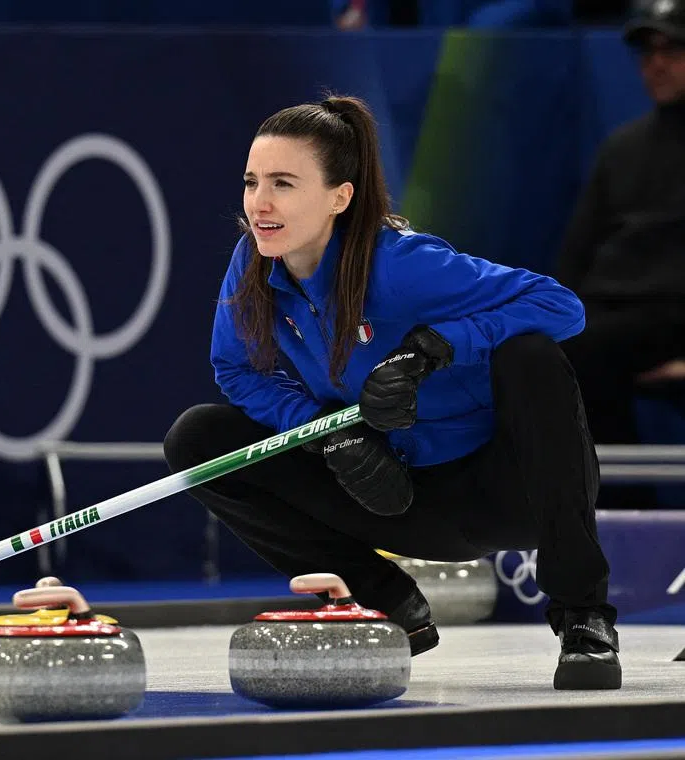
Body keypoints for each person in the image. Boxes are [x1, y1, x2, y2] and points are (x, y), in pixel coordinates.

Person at [163, 95, 621, 690]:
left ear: (340, 197)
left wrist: (436, 345)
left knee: (530, 354)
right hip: (396, 496)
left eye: (283, 183)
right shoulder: (253, 258)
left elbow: (562, 306)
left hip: (506, 494)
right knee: (199, 437)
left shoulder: (401, 266)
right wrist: (328, 434)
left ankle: (583, 617)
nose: (260, 204)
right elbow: (237, 370)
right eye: (252, 182)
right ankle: (384, 602)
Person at [555, 0, 685, 508]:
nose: (656, 63)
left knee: (583, 351)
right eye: (647, 52)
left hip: (668, 316)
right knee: (538, 350)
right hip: (612, 317)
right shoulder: (623, 147)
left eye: (672, 49)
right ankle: (615, 513)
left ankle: (623, 512)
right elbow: (576, 255)